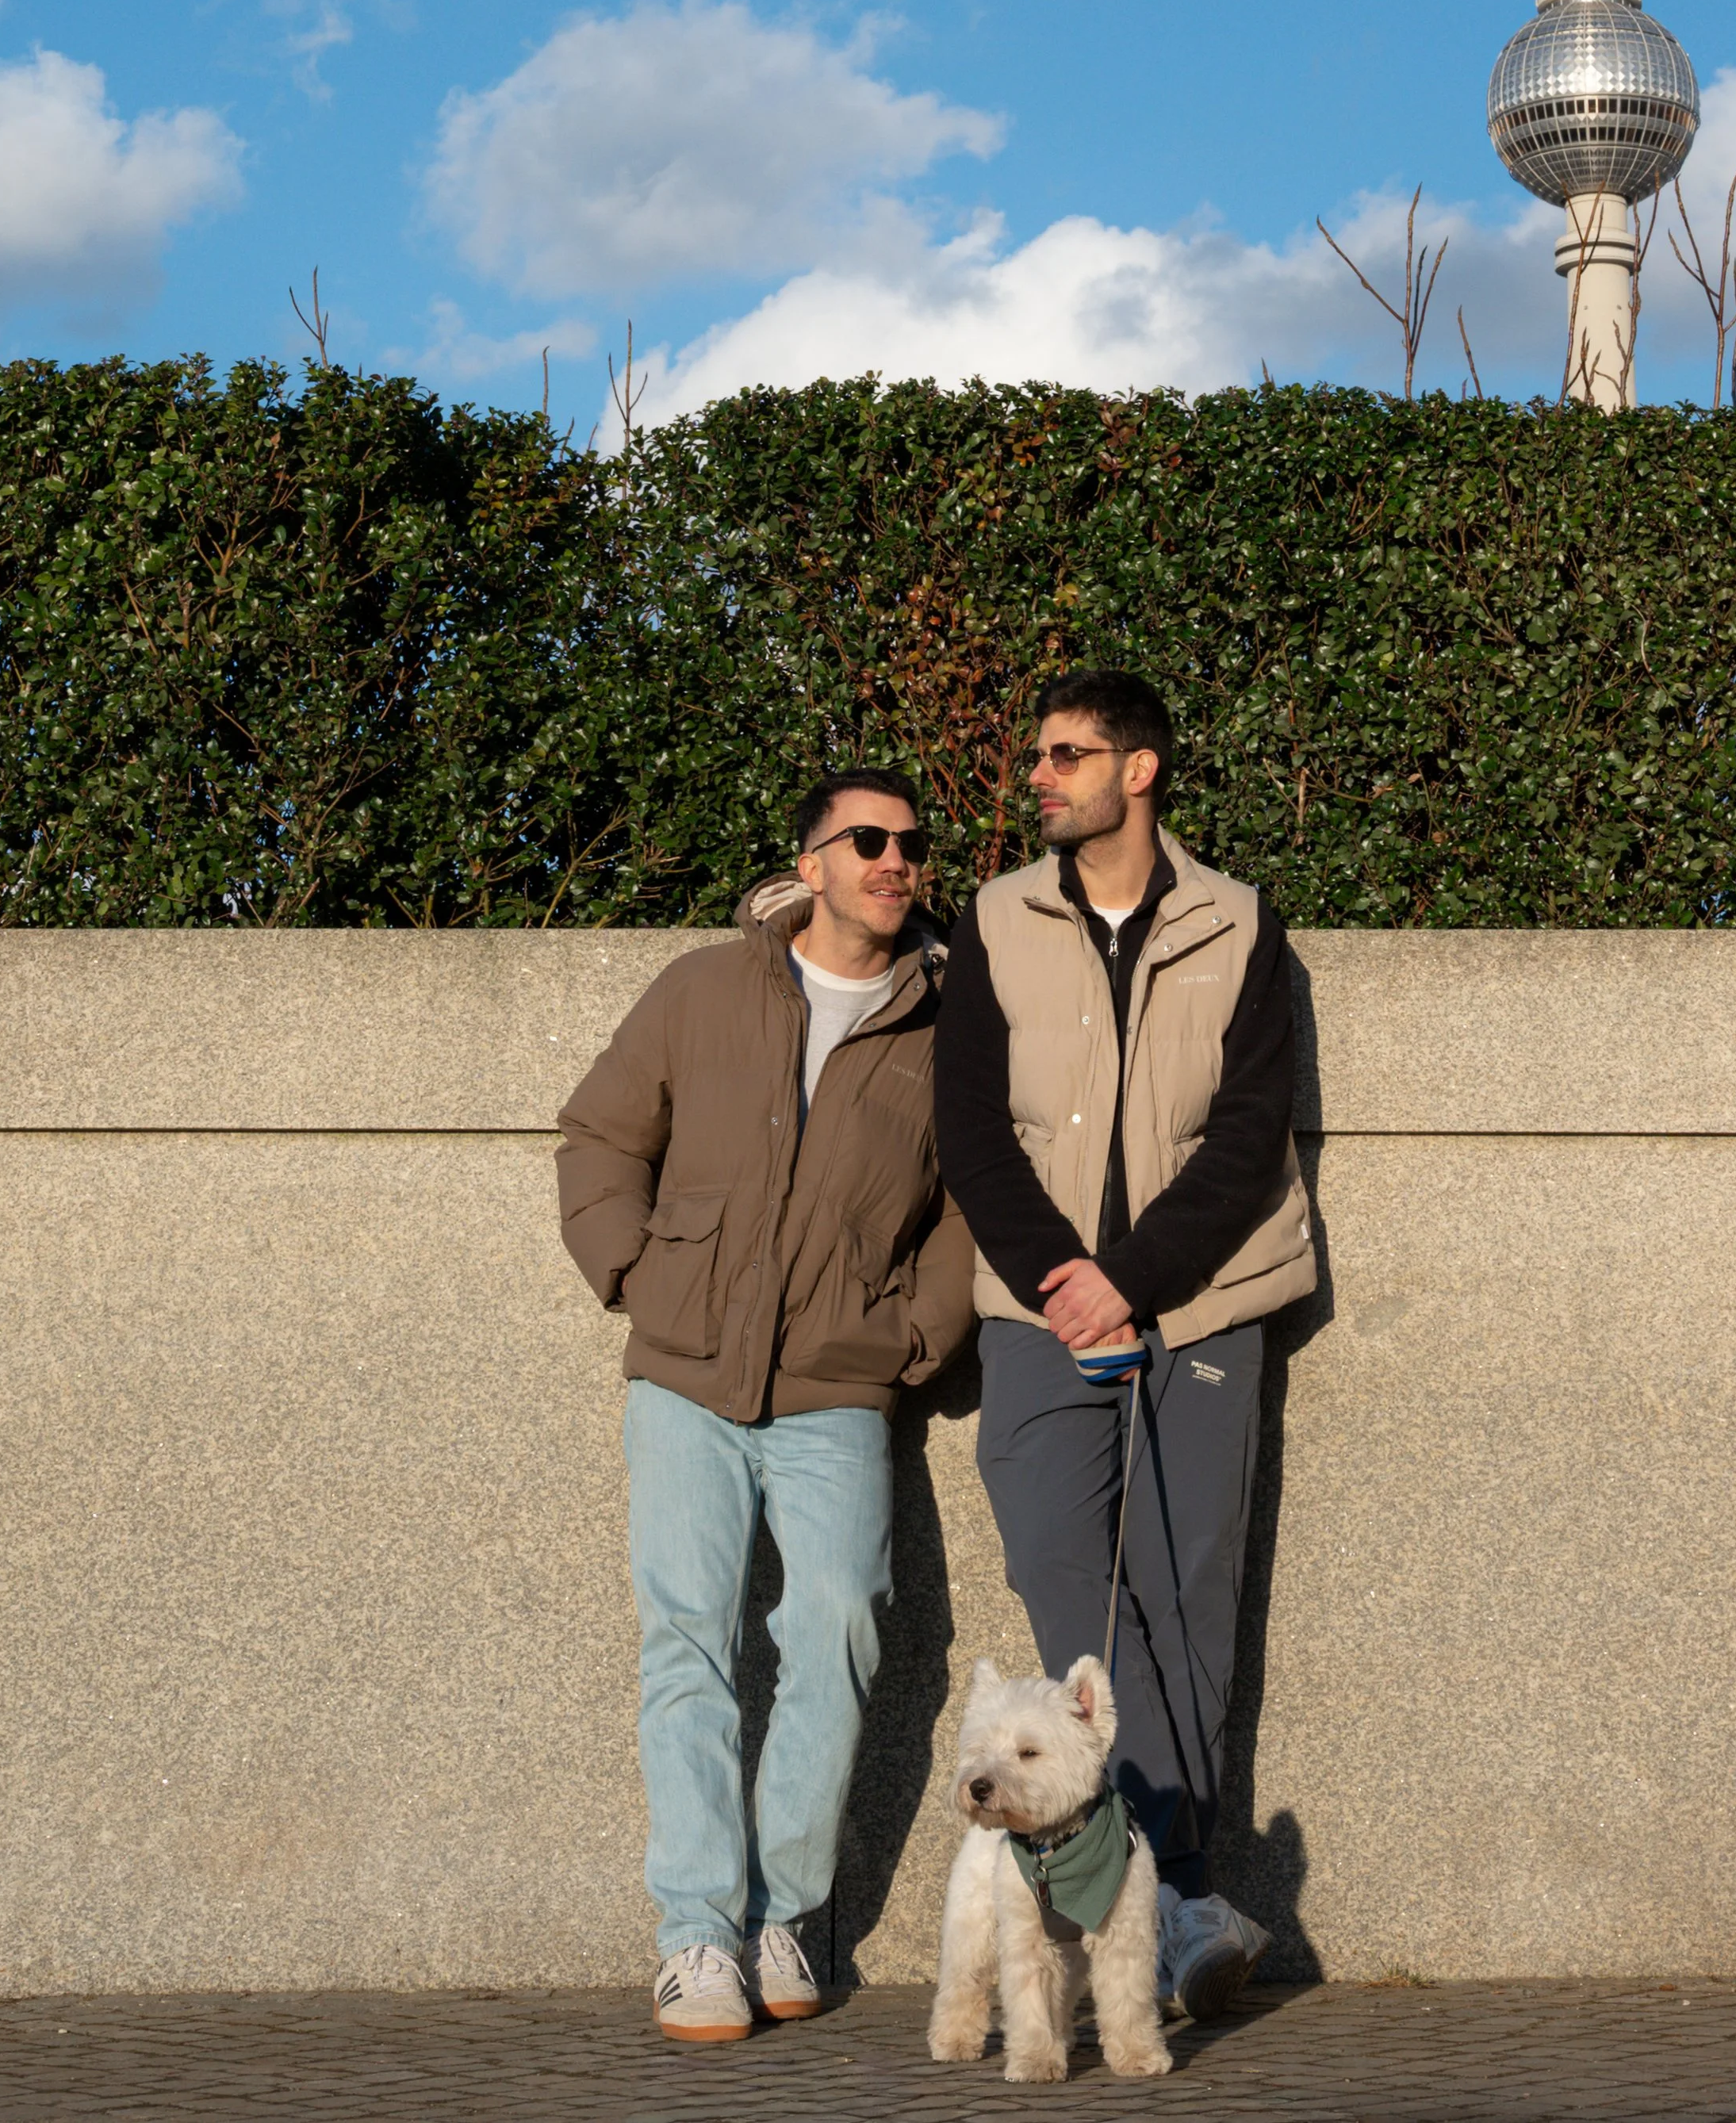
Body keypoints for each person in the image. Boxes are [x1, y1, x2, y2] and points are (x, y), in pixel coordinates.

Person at [555, 769, 973, 2046]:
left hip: (838, 1386)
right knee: (686, 1643)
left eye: (911, 843)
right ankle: (695, 1935)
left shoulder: (949, 1026)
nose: (897, 859)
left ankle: (783, 1913)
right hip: (685, 1372)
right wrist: (631, 1269)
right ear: (812, 859)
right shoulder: (703, 988)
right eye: (870, 840)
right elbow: (600, 1133)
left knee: (841, 1625)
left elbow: (969, 1207)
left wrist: (913, 1335)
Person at [933, 669, 1316, 2024]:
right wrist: (1063, 1279)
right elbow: (971, 1130)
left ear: (1139, 771)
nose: (1041, 775)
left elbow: (1249, 1132)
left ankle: (1180, 1890)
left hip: (1204, 1305)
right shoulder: (992, 921)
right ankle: (1156, 1882)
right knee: (1061, 1571)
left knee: (1185, 1591)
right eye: (1038, 753)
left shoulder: (1240, 924)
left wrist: (1136, 1278)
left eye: (1069, 754)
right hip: (1036, 1310)